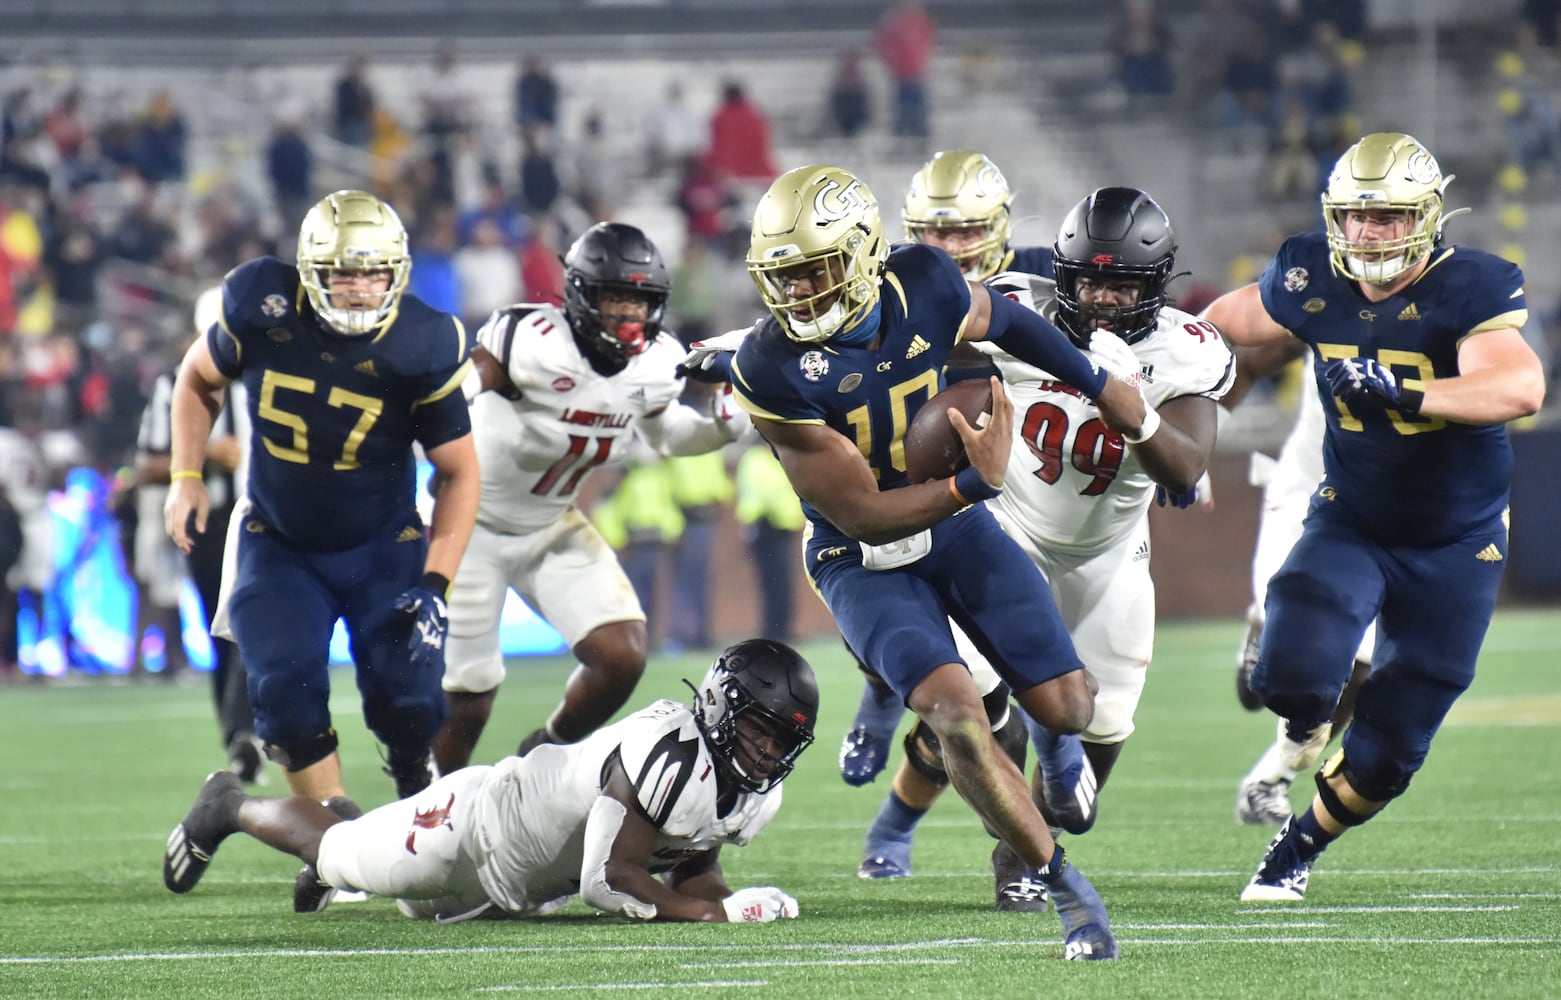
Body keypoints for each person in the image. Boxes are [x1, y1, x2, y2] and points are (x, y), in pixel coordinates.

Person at [721, 163, 1147, 960]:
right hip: (860, 556)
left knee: (1070, 709)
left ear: (859, 254)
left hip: (954, 527)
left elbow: (1005, 323)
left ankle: (1039, 740)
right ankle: (1064, 886)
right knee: (954, 712)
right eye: (784, 277)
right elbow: (860, 514)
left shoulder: (923, 280)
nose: (800, 293)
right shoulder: (768, 365)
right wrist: (971, 482)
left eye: (814, 270)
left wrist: (1094, 380)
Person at [853, 188, 1233, 907]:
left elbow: (1184, 465)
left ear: (1154, 285)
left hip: (1109, 556)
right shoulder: (1012, 304)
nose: (1100, 298)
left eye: (1120, 283)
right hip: (1008, 533)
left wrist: (1138, 416)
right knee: (977, 699)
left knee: (1095, 747)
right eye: (1086, 280)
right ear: (1059, 271)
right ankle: (1016, 858)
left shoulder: (1184, 349)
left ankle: (1054, 780)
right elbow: (895, 327)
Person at [1200, 132, 1545, 902]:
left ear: (1425, 217)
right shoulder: (1309, 273)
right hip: (1351, 517)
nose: (1369, 234)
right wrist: (1150, 349)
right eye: (1356, 217)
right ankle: (1297, 730)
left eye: (1388, 217)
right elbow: (1225, 321)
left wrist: (1407, 394)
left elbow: (1519, 390)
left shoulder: (1472, 287)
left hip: (1457, 541)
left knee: (1391, 748)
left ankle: (1295, 849)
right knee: (1287, 668)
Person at [163, 190, 480, 817]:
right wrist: (185, 474)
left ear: (398, 274)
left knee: (411, 699)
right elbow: (197, 377)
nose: (360, 288)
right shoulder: (262, 303)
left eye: (373, 272)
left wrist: (437, 585)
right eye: (344, 272)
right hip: (279, 540)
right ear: (311, 271)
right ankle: (335, 831)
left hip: (382, 544)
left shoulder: (423, 342)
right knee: (282, 695)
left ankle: (413, 771)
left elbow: (461, 474)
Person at [164, 639, 817, 924]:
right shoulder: (665, 749)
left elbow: (690, 864)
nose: (767, 752)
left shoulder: (753, 794)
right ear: (718, 708)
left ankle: (348, 841)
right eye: (760, 730)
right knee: (335, 852)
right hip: (474, 830)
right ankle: (228, 805)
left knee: (387, 884)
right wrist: (711, 913)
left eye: (782, 740)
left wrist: (729, 902)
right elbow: (609, 878)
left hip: (519, 889)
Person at [431, 222, 749, 775]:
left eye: (639, 299)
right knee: (470, 695)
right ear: (580, 294)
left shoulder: (655, 364)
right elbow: (457, 389)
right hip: (472, 526)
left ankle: (539, 758)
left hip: (552, 522)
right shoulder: (530, 340)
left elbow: (668, 433)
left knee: (621, 655)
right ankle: (428, 803)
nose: (628, 312)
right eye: (614, 297)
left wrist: (720, 428)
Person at [840, 149, 1053, 794]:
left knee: (1035, 646)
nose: (950, 246)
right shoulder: (891, 285)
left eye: (964, 230)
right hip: (918, 468)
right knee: (884, 591)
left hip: (1022, 474)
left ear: (998, 226)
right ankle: (880, 692)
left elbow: (1120, 340)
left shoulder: (1045, 279)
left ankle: (1060, 752)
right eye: (933, 233)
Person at [1226, 348, 1374, 826]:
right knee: (1272, 660)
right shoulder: (1323, 291)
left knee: (1365, 665)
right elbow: (1227, 329)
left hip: (1381, 510)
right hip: (1306, 493)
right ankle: (1260, 628)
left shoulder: (1453, 311)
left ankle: (1267, 782)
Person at [137, 287, 261, 780]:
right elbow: (146, 463)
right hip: (209, 520)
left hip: (266, 516)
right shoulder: (176, 382)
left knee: (254, 624)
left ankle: (247, 732)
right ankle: (238, 735)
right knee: (222, 630)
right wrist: (206, 454)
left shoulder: (275, 376)